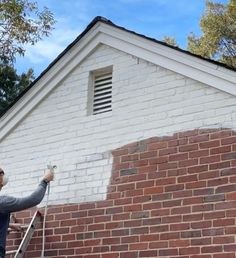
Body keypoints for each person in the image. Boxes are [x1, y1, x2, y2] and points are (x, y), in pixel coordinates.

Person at [0, 167, 54, 258]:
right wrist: (45, 181)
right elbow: (33, 200)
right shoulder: (3, 202)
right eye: (1, 174)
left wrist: (9, 225)